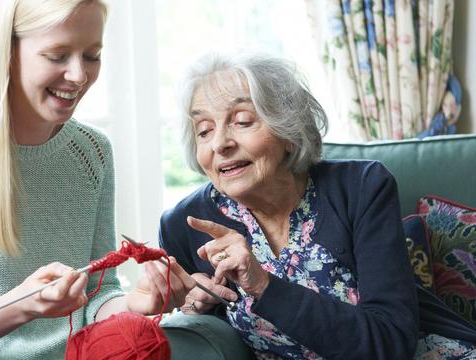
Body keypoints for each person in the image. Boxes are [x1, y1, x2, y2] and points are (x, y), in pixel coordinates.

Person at [0, 1, 193, 359]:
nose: (79, 75)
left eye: (92, 56)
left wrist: (135, 305)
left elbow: (95, 296)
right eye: (58, 55)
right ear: (8, 52)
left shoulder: (92, 152)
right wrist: (21, 306)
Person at [159, 52, 476, 359]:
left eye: (242, 121)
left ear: (289, 133)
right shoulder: (184, 226)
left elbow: (390, 343)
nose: (220, 144)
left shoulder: (362, 188)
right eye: (204, 130)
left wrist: (265, 286)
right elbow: (201, 322)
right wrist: (192, 305)